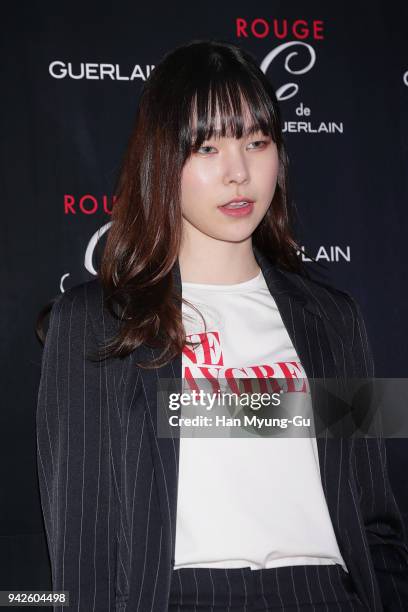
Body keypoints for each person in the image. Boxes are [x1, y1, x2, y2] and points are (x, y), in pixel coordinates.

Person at [36, 39, 408, 611]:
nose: (238, 173)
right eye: (206, 147)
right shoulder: (95, 322)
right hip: (180, 596)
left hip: (326, 594)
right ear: (163, 159)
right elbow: (82, 537)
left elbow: (374, 514)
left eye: (257, 142)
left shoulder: (332, 318)